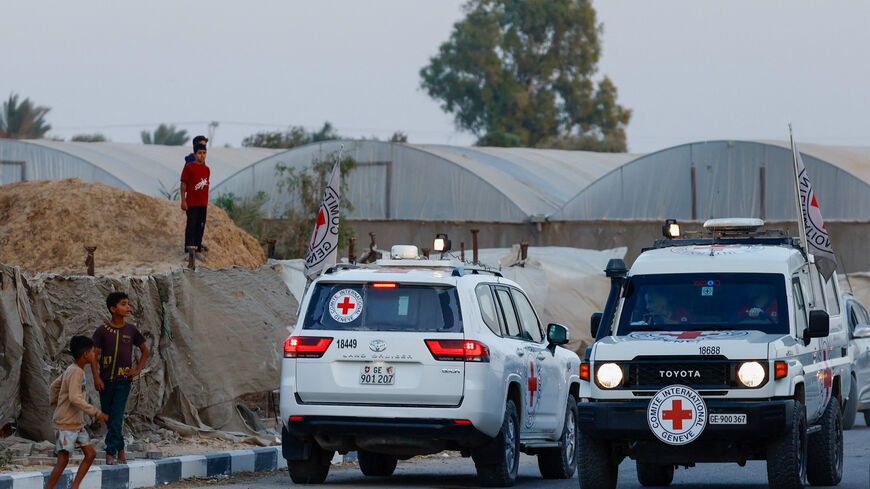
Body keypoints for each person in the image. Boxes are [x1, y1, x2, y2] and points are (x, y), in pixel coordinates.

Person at [90, 292, 148, 465]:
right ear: (113, 309)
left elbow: (145, 350)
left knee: (116, 416)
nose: (128, 307)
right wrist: (96, 378)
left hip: (124, 381)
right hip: (105, 382)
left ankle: (110, 453)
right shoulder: (102, 331)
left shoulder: (131, 330)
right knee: (109, 417)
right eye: (124, 304)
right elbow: (94, 356)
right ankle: (121, 450)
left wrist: (137, 370)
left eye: (128, 304)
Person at [45, 336, 109, 489]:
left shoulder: (73, 370)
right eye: (93, 352)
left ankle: (74, 487)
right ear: (85, 354)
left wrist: (56, 405)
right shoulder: (75, 372)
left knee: (90, 454)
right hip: (65, 424)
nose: (95, 355)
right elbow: (75, 398)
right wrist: (95, 412)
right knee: (63, 460)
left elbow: (54, 386)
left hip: (76, 423)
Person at [180, 142, 210, 260]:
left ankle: (197, 250)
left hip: (203, 203)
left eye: (204, 153)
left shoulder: (207, 169)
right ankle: (188, 250)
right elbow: (183, 184)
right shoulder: (189, 167)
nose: (202, 156)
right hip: (192, 202)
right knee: (191, 225)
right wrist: (183, 200)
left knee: (200, 226)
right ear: (195, 154)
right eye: (199, 153)